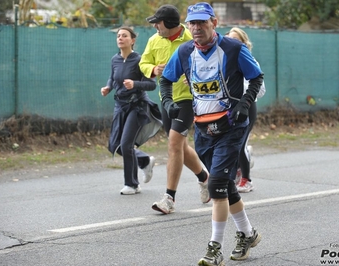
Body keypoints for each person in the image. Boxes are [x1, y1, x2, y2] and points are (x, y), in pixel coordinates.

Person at [159, 2, 263, 265]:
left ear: (214, 23)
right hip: (203, 129)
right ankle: (248, 234)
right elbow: (165, 80)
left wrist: (244, 103)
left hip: (231, 127)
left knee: (216, 185)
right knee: (225, 186)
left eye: (202, 23)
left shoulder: (234, 49)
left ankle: (214, 248)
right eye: (192, 23)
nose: (196, 28)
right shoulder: (184, 52)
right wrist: (168, 102)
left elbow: (257, 77)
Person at [140, 4, 210, 214]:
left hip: (189, 99)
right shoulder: (154, 40)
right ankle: (204, 178)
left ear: (169, 24)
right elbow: (143, 63)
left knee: (173, 143)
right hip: (166, 99)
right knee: (179, 145)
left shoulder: (191, 38)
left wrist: (196, 79)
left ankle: (169, 198)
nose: (155, 27)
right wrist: (153, 69)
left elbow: (207, 63)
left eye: (157, 23)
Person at [101, 26, 162, 195]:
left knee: (127, 144)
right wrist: (108, 87)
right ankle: (144, 161)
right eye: (118, 36)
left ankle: (132, 184)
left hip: (137, 106)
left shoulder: (140, 61)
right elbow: (113, 78)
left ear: (132, 40)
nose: (120, 38)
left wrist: (135, 84)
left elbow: (151, 84)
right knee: (116, 145)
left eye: (124, 36)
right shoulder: (115, 59)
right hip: (120, 105)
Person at [227, 27, 266, 193]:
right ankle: (237, 168)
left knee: (240, 144)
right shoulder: (224, 62)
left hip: (247, 108)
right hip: (229, 108)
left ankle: (246, 180)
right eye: (230, 39)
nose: (232, 42)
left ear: (244, 43)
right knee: (230, 143)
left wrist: (245, 97)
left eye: (236, 40)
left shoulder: (250, 61)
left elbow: (261, 89)